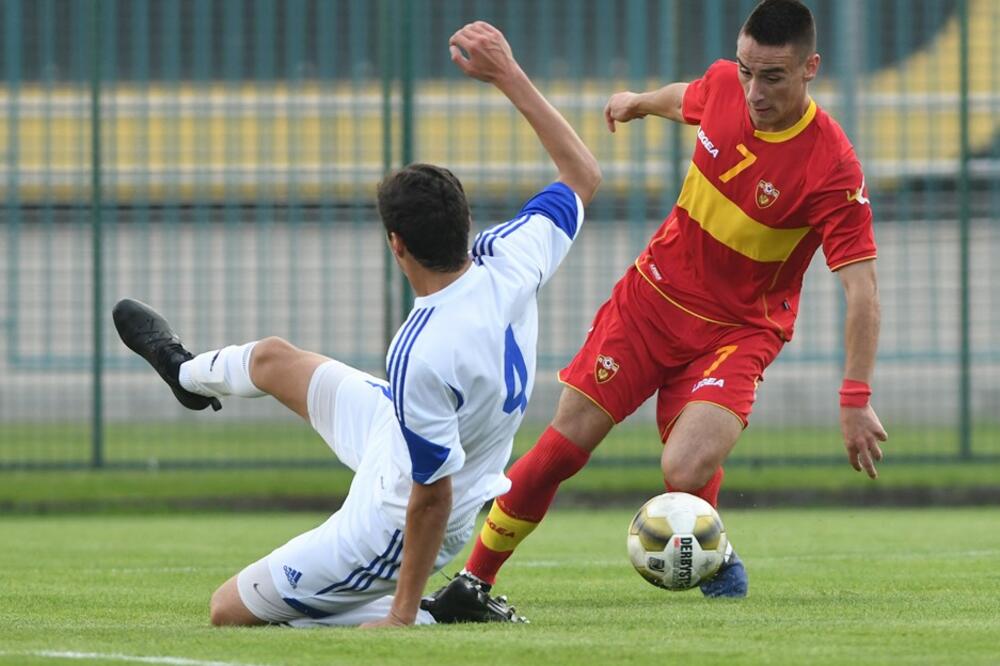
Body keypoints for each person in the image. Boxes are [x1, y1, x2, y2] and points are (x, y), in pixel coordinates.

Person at [112, 20, 600, 628]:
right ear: (464, 224)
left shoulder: (421, 349)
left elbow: (431, 499)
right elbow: (582, 173)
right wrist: (508, 75)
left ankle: (434, 613)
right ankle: (186, 373)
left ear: (396, 245)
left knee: (227, 611)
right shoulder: (509, 255)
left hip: (390, 525)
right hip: (394, 434)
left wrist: (397, 617)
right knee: (271, 360)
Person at [433, 0, 887, 607]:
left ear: (811, 68)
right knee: (563, 447)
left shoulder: (832, 166)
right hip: (650, 302)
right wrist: (639, 102)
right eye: (747, 70)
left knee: (687, 469)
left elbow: (863, 289)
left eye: (773, 76)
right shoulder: (728, 85)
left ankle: (711, 542)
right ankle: (473, 583)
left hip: (737, 330)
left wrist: (855, 398)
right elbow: (690, 99)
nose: (754, 90)